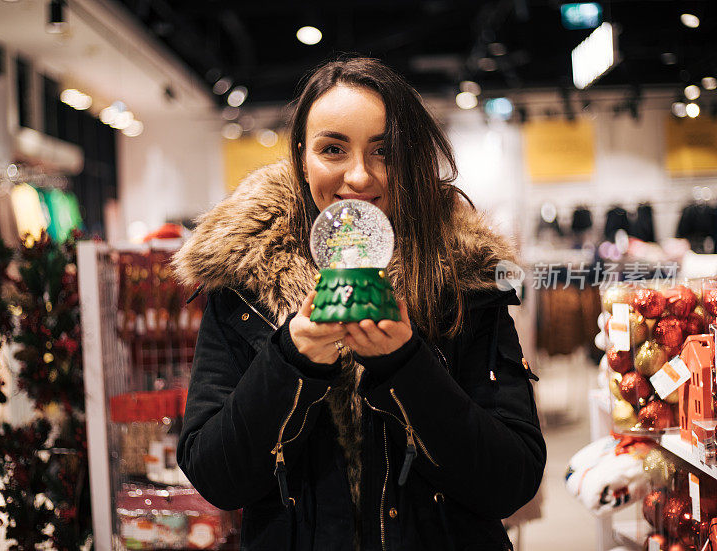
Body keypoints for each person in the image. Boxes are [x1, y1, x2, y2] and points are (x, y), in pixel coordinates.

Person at [174, 57, 545, 551]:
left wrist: (407, 366)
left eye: (384, 151)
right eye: (333, 149)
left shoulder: (464, 278)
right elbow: (217, 478)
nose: (359, 176)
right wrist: (292, 359)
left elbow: (511, 481)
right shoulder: (243, 280)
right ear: (302, 157)